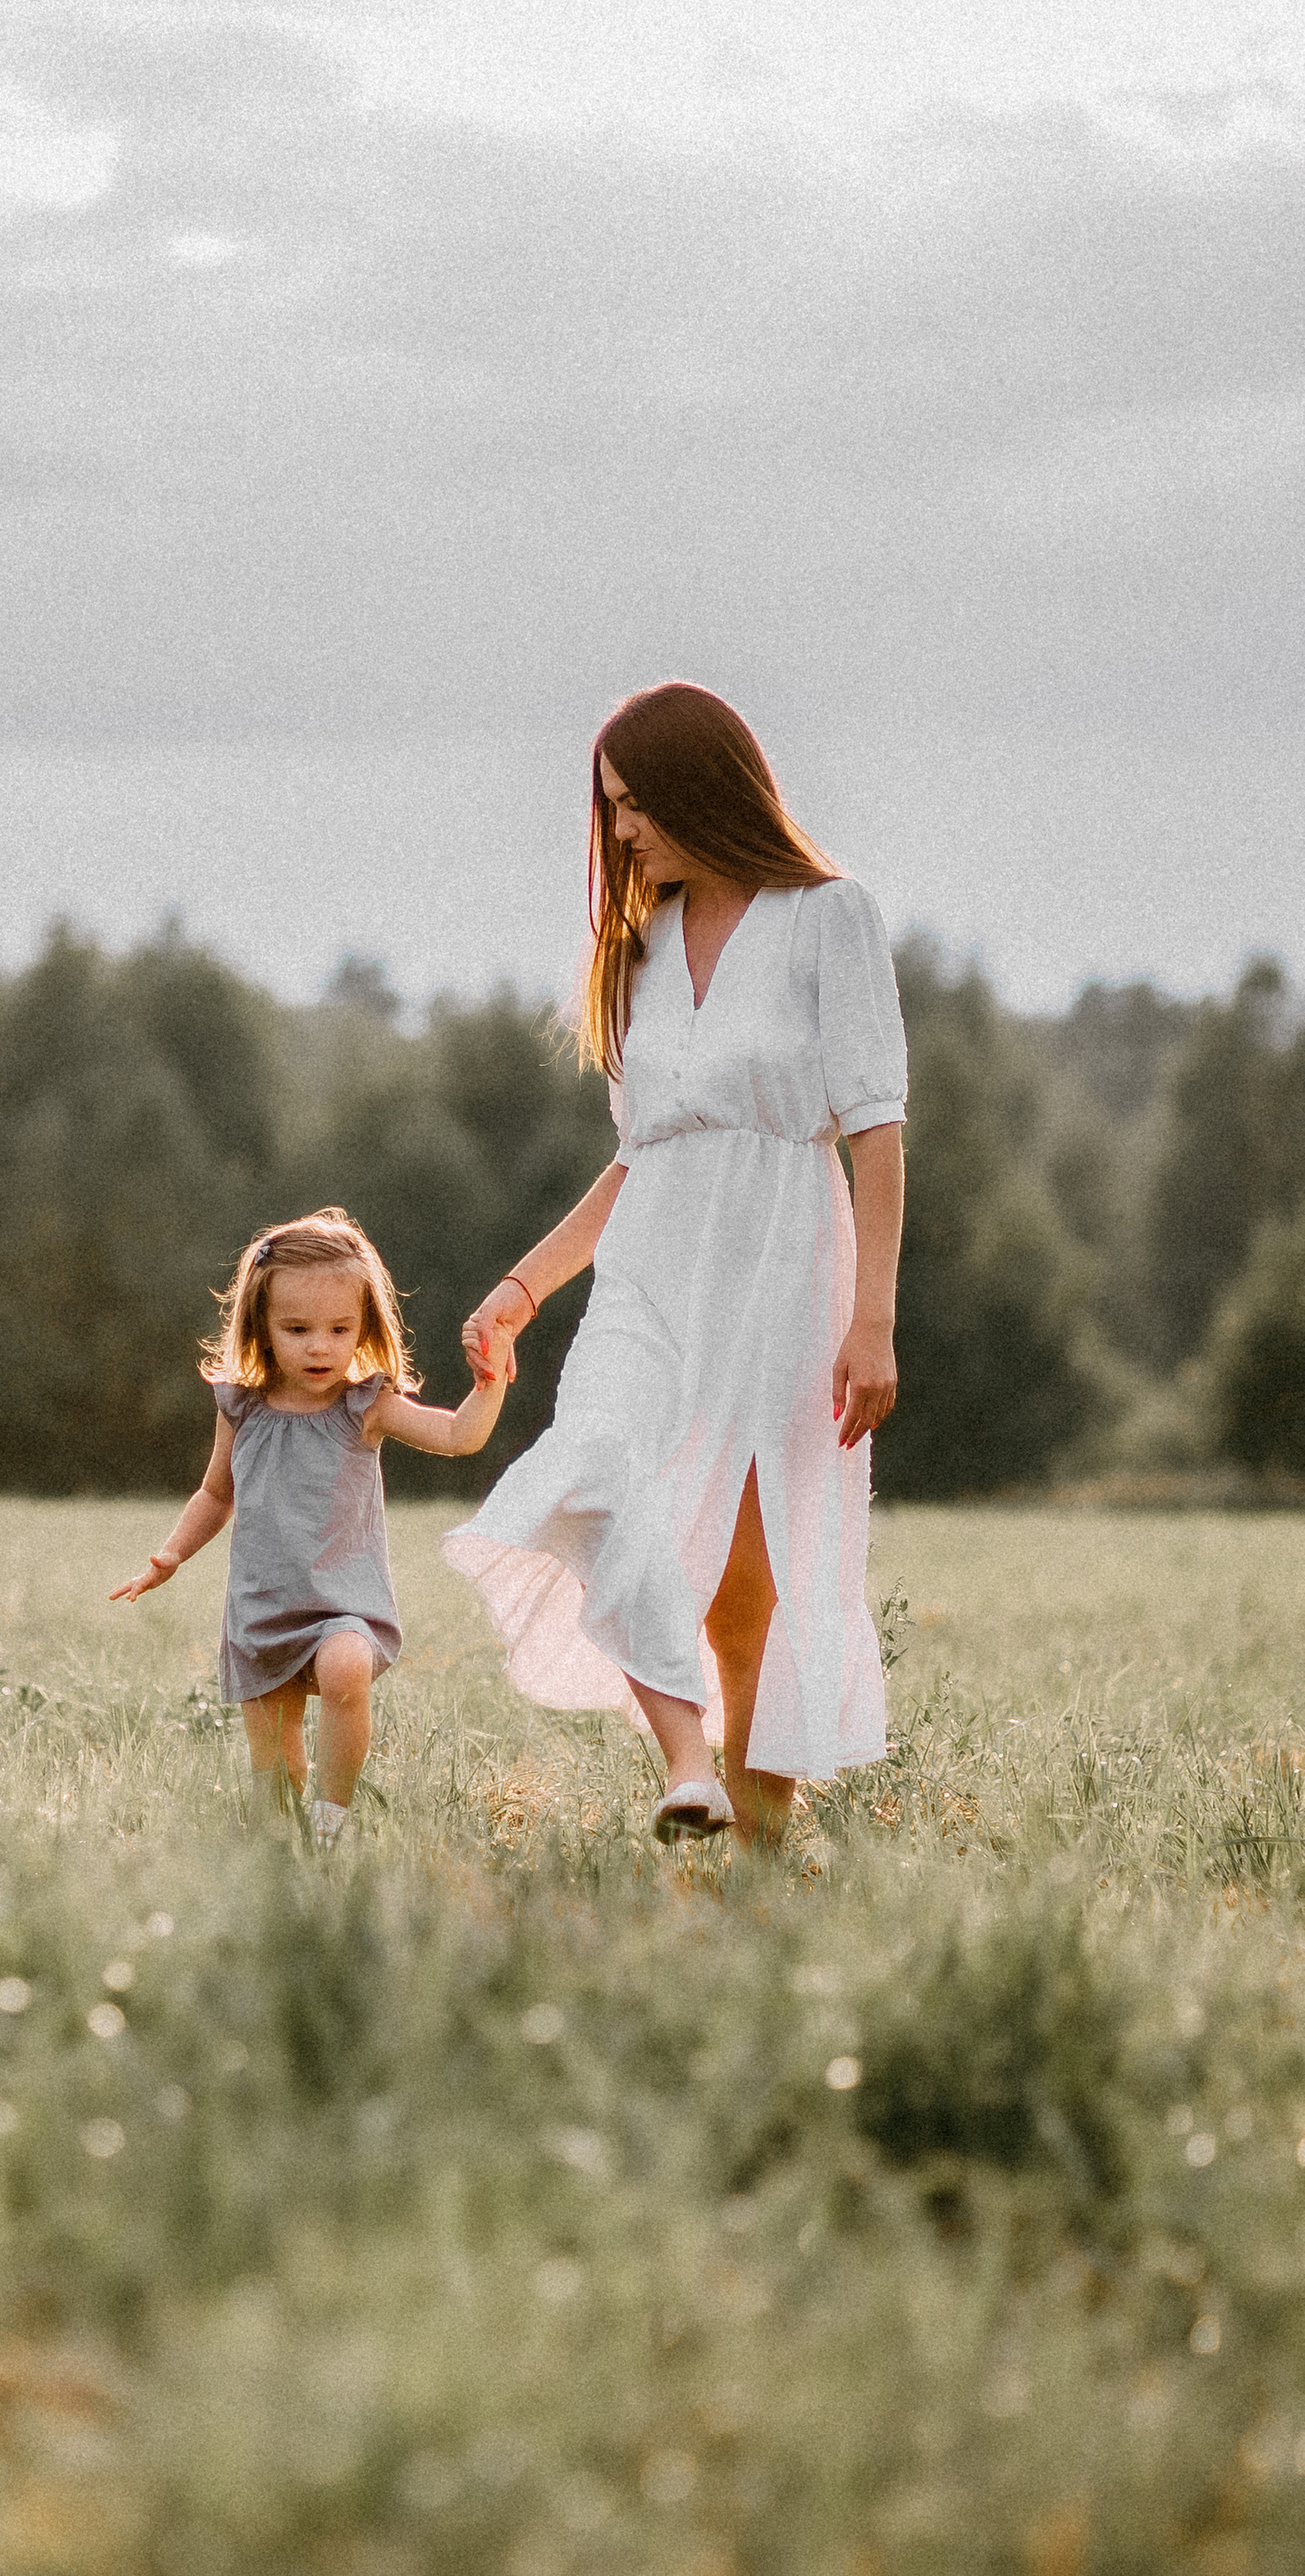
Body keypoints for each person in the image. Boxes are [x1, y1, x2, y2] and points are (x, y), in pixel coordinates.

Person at [445, 682, 906, 1847]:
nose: (621, 831)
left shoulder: (829, 917)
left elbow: (876, 1132)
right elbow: (639, 1158)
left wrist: (872, 1323)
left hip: (784, 1269)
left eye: (638, 804)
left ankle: (756, 1854)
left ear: (707, 791)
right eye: (610, 807)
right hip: (650, 1274)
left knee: (750, 1590)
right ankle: (688, 1762)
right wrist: (525, 1285)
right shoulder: (634, 949)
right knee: (594, 1469)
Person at [113, 1208, 515, 1842]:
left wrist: (490, 1382)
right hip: (263, 1609)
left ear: (364, 1327)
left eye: (339, 1328)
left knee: (346, 1665)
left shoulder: (366, 1406)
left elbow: (459, 1436)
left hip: (342, 1603)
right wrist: (171, 1555)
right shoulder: (241, 1406)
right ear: (261, 1326)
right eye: (297, 1329)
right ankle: (285, 1852)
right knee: (276, 1773)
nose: (320, 1345)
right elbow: (215, 1494)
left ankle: (332, 1821)